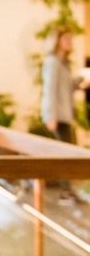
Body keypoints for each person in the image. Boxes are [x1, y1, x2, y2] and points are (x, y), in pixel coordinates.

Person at [41, 27, 90, 204]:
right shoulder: (52, 62)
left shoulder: (64, 63)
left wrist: (81, 82)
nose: (70, 42)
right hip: (57, 116)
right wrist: (50, 115)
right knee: (65, 154)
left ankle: (68, 190)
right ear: (57, 41)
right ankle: (65, 192)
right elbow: (50, 90)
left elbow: (67, 87)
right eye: (66, 38)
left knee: (70, 152)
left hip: (66, 114)